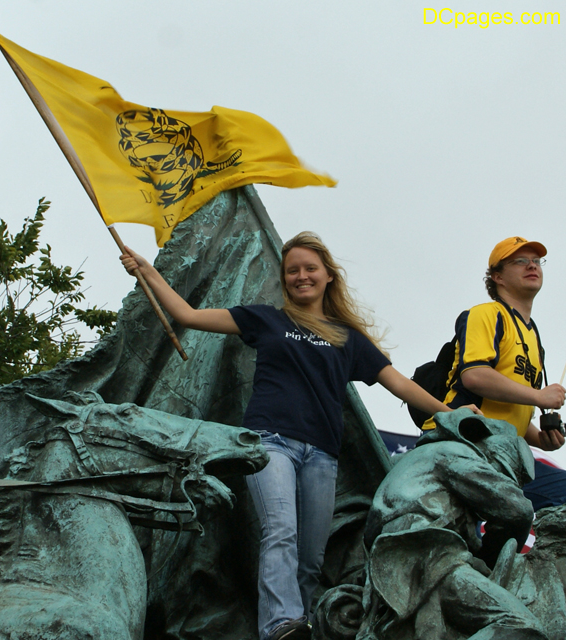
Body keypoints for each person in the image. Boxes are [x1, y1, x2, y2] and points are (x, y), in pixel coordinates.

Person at [121, 232, 478, 640]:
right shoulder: (265, 318)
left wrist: (452, 414)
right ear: (285, 278)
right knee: (280, 531)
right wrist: (148, 272)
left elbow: (399, 384)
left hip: (322, 455)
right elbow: (187, 315)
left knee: (311, 557)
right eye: (293, 270)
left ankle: (300, 625)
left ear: (328, 276)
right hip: (270, 442)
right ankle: (278, 626)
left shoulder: (348, 337)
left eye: (310, 268)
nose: (301, 276)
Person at [360, 409, 547, 640]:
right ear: (493, 457)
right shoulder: (456, 452)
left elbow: (465, 538)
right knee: (520, 624)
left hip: (405, 561)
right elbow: (517, 511)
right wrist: (494, 557)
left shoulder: (420, 471)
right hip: (428, 556)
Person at [422, 236, 566, 509]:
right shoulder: (486, 314)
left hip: (505, 453)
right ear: (497, 276)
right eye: (521, 261)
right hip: (465, 443)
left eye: (536, 261)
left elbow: (512, 412)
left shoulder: (533, 336)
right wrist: (539, 396)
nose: (532, 266)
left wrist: (542, 439)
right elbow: (474, 376)